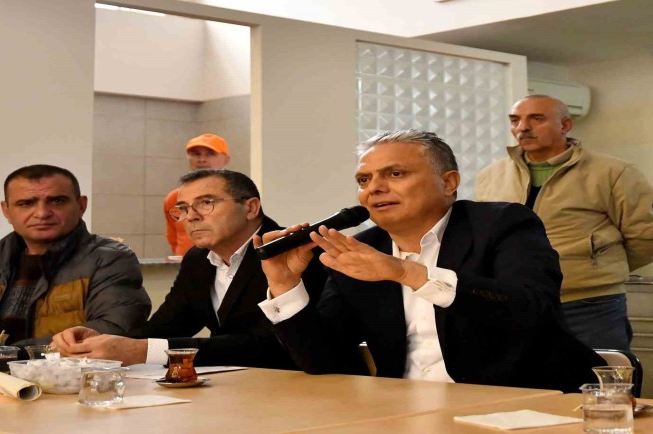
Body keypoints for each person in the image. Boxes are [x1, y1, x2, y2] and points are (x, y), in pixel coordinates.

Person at [256, 129, 602, 393]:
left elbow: (532, 310)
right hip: (405, 409)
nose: (374, 188)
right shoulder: (361, 250)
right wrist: (284, 284)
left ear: (449, 182)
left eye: (395, 174)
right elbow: (323, 359)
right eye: (364, 180)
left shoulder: (502, 224)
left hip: (524, 402)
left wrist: (407, 273)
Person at [52, 169, 325, 368]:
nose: (191, 216)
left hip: (301, 387)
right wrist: (103, 341)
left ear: (251, 208)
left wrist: (141, 350)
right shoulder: (198, 258)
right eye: (182, 208)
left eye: (206, 203)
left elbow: (270, 344)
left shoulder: (293, 252)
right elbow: (166, 325)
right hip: (235, 389)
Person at [0, 164, 151, 363]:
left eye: (57, 201)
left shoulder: (109, 259)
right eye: (26, 203)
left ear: (81, 205)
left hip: (55, 387)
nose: (42, 213)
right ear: (6, 211)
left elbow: (113, 331)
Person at [476, 95, 653, 351]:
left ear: (565, 125)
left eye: (537, 119)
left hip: (590, 304)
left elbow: (644, 237)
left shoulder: (613, 172)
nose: (523, 127)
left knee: (598, 373)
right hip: (517, 300)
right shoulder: (491, 176)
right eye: (515, 120)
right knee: (527, 376)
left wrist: (600, 266)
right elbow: (487, 236)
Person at [164, 133, 231, 256]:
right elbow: (173, 239)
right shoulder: (174, 198)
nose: (202, 159)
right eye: (196, 154)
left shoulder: (235, 196)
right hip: (185, 264)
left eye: (210, 154)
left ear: (226, 160)